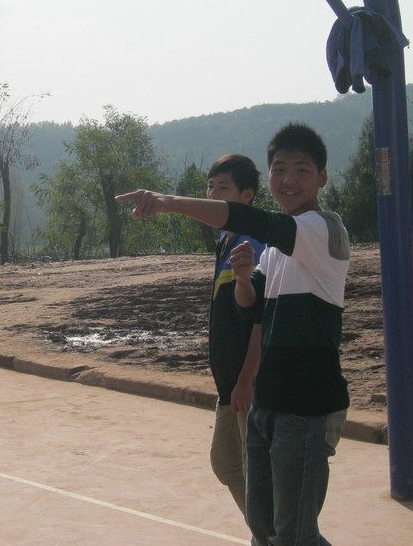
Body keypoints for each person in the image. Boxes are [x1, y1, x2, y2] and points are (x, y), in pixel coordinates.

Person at [116, 122, 349, 546]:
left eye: (301, 170)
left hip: (307, 405)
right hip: (268, 402)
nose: (289, 179)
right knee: (263, 527)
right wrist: (243, 278)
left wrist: (167, 202)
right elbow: (250, 305)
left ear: (322, 177)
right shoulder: (275, 250)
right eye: (280, 169)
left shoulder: (322, 229)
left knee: (294, 535)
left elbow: (250, 219)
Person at [202, 155, 264, 526]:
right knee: (226, 463)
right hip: (229, 383)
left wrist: (247, 379)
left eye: (222, 188)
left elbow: (260, 317)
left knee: (254, 472)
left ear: (247, 195)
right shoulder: (226, 242)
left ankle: (272, 535)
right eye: (210, 186)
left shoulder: (252, 241)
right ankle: (268, 534)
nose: (212, 195)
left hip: (247, 384)